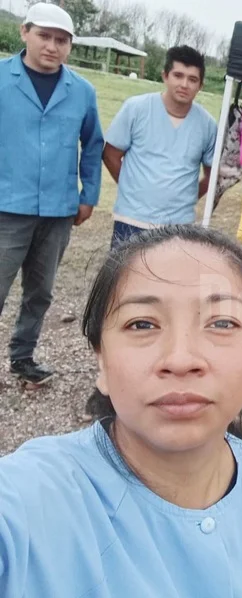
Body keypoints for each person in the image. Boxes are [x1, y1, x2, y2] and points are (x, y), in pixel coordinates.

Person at [0, 226, 242, 598]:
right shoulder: (33, 502)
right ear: (101, 361)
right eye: (142, 323)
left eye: (222, 322)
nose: (180, 360)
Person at [0, 3, 103, 386]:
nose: (52, 47)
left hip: (58, 210)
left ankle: (23, 357)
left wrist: (88, 193)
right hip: (7, 205)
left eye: (62, 40)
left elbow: (92, 145)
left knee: (40, 291)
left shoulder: (82, 91)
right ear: (24, 32)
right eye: (44, 36)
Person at [102, 45, 217, 248]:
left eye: (192, 79)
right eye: (178, 75)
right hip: (132, 220)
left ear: (201, 85)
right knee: (125, 278)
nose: (184, 84)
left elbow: (212, 175)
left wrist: (187, 197)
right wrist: (132, 188)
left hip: (178, 226)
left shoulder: (207, 124)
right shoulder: (136, 108)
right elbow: (110, 154)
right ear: (165, 76)